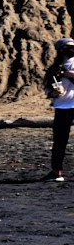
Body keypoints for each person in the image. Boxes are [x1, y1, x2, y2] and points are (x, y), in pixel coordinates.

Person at [45, 36, 74, 181]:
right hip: (63, 106)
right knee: (60, 140)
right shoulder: (54, 69)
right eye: (68, 47)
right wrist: (53, 93)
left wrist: (68, 74)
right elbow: (47, 89)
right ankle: (56, 171)